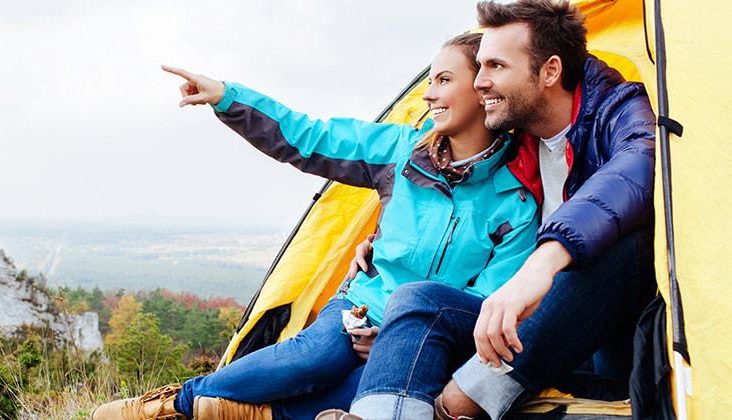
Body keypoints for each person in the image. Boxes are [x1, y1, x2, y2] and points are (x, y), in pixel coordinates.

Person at [90, 33, 541, 420]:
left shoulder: (515, 199)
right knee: (317, 356)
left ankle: (249, 413)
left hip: (422, 334)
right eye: (429, 80)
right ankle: (176, 404)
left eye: (444, 80)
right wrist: (228, 97)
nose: (428, 94)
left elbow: (485, 304)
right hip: (361, 306)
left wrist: (397, 335)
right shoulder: (401, 152)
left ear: (483, 87)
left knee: (373, 388)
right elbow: (313, 138)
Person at [331, 1, 657, 419]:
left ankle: (454, 406)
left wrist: (541, 266)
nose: (479, 83)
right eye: (479, 66)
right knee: (417, 301)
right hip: (511, 327)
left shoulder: (617, 109)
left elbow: (640, 166)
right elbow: (453, 207)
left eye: (496, 67)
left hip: (596, 330)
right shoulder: (511, 134)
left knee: (627, 242)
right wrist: (382, 242)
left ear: (550, 72)